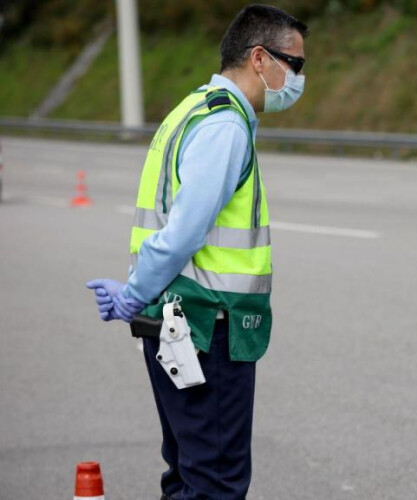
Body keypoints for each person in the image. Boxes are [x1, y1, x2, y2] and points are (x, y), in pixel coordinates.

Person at [85, 5, 308, 498]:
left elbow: (164, 221)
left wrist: (134, 293)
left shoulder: (190, 109)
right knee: (215, 483)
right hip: (210, 331)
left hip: (179, 324)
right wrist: (134, 293)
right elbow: (182, 232)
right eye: (294, 64)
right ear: (258, 58)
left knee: (188, 473)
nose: (298, 78)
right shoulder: (224, 128)